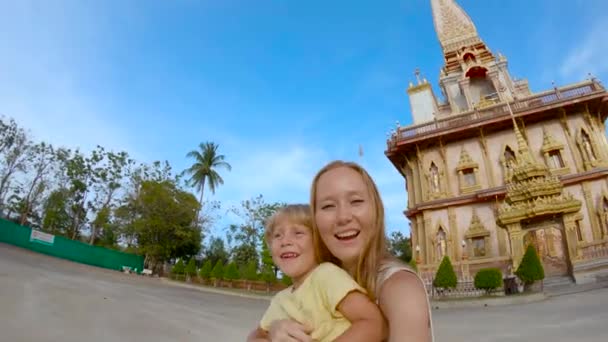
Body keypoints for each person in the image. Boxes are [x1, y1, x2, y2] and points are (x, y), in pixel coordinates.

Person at [267, 161, 434, 342]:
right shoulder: (318, 281)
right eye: (328, 206)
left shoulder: (401, 289)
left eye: (356, 201)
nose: (343, 217)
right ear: (315, 220)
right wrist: (274, 331)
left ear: (376, 210)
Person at [247, 204, 385, 342]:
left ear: (320, 243)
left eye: (298, 233)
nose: (285, 241)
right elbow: (256, 335)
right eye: (277, 235)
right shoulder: (280, 299)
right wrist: (271, 334)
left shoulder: (326, 276)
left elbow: (374, 323)